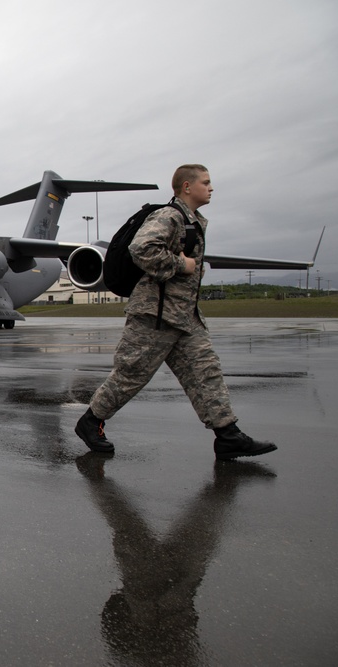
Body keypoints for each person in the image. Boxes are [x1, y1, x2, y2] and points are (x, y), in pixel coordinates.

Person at [74, 164, 277, 460]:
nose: (210, 187)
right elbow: (141, 248)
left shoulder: (193, 220)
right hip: (154, 317)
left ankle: (228, 435)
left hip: (184, 317)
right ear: (186, 187)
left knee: (206, 372)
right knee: (130, 376)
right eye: (205, 182)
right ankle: (91, 422)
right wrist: (184, 265)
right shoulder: (169, 216)